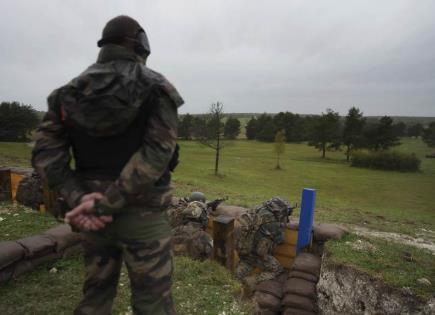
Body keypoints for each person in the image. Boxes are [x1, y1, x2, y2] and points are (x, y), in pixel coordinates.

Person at [32, 15, 183, 315]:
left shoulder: (67, 93)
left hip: (91, 217)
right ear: (140, 45)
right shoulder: (156, 87)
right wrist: (109, 203)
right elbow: (158, 154)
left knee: (96, 297)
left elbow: (46, 153)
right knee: (153, 305)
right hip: (143, 216)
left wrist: (80, 198)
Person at [234, 197, 292, 291]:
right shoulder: (273, 223)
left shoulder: (257, 209)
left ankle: (234, 280)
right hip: (258, 256)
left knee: (243, 268)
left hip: (244, 250)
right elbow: (280, 240)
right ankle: (252, 280)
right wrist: (282, 225)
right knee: (278, 269)